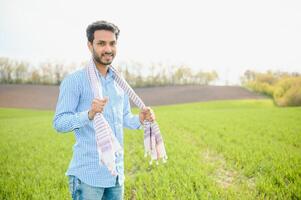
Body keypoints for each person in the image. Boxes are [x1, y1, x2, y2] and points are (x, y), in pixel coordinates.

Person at [53, 20, 155, 200]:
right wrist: (89, 114)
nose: (108, 49)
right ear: (89, 45)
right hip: (88, 176)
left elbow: (123, 118)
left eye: (112, 43)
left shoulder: (119, 82)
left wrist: (140, 119)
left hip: (116, 174)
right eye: (101, 43)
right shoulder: (75, 81)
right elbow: (59, 123)